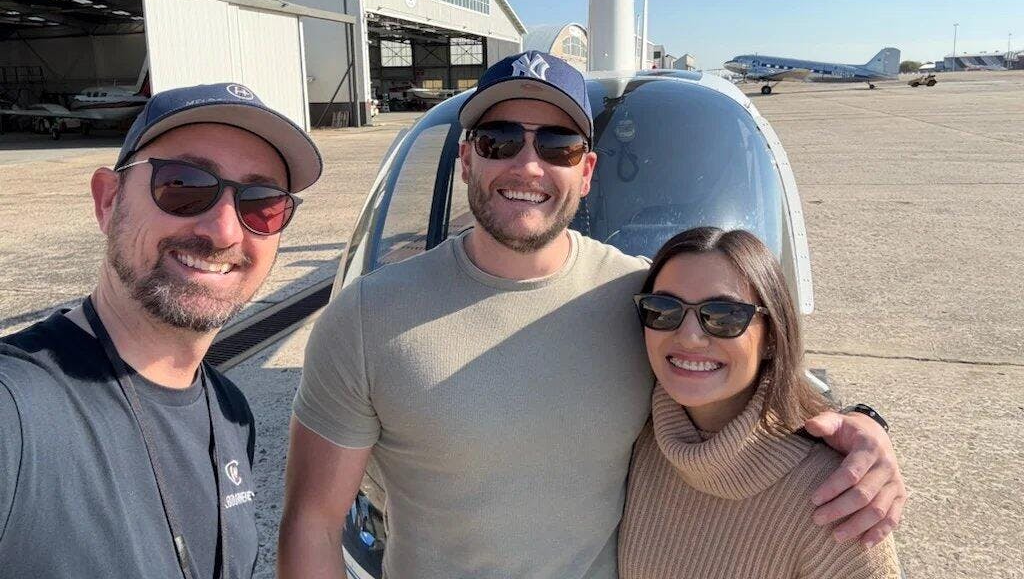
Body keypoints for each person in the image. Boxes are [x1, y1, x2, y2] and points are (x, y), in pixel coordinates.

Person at [280, 51, 906, 579]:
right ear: (466, 159)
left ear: (586, 172)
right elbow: (313, 521)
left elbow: (740, 380)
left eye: (558, 145)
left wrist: (857, 426)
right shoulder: (366, 316)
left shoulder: (644, 301)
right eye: (499, 141)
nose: (528, 165)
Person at [0, 82, 322, 579]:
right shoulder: (16, 412)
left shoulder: (230, 413)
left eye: (262, 203)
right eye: (184, 185)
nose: (224, 231)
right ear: (108, 201)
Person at [619, 227, 902, 577]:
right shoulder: (628, 435)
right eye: (663, 309)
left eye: (724, 316)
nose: (689, 337)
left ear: (772, 337)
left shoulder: (837, 495)